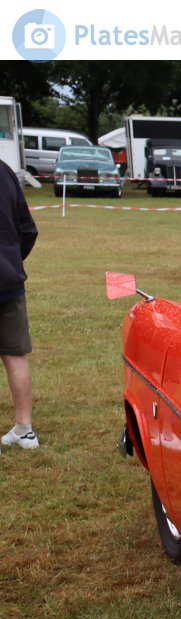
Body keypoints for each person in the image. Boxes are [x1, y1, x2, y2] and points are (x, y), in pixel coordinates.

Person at [1, 155, 38, 452]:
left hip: (8, 277)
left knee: (15, 354)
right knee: (15, 354)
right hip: (8, 279)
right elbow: (28, 230)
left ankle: (23, 432)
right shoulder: (6, 172)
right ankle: (24, 430)